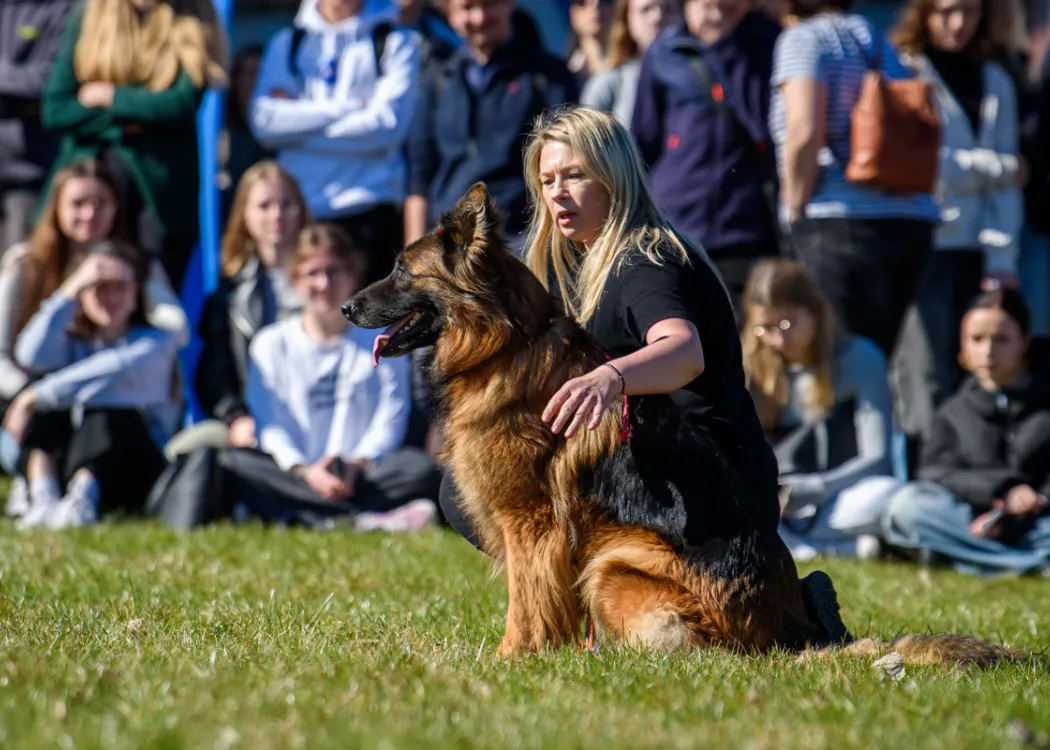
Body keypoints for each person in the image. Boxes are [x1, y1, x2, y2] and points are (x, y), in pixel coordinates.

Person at [162, 223, 440, 531]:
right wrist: (304, 471)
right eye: (312, 274)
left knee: (420, 468)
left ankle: (307, 517)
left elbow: (392, 415)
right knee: (232, 463)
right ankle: (356, 518)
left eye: (333, 272)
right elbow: (268, 425)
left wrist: (356, 464)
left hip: (362, 474)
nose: (323, 283)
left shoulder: (380, 340)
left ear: (353, 276)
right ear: (295, 281)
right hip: (296, 475)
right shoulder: (270, 344)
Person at [0, 159, 187, 518]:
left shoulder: (140, 271)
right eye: (78, 204)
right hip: (26, 401)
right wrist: (28, 394)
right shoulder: (26, 265)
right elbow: (23, 354)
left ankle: (76, 499)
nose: (90, 214)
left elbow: (174, 330)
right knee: (51, 396)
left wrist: (142, 292)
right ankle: (40, 492)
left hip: (108, 425)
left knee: (106, 406)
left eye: (101, 203)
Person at [891, 0, 1026, 473]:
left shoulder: (995, 78)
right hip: (925, 243)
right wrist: (996, 168)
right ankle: (924, 476)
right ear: (924, 13)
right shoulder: (904, 67)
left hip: (980, 250)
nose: (958, 23)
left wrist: (1002, 258)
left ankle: (976, 481)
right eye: (946, 11)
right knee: (925, 371)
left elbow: (1006, 191)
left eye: (969, 11)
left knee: (984, 371)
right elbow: (921, 164)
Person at [770, 0, 940, 359]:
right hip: (909, 220)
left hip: (840, 223)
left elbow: (803, 131)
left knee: (843, 364)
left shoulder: (803, 39)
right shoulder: (873, 37)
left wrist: (793, 208)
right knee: (878, 363)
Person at [40, 0, 229, 290]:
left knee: (153, 298)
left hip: (161, 201)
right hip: (96, 184)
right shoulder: (88, 16)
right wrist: (136, 114)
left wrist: (111, 97)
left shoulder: (193, 19)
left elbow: (179, 104)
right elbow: (57, 110)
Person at [250, 0, 420, 286]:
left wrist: (297, 126)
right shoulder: (287, 43)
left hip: (369, 217)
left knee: (366, 328)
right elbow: (265, 124)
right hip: (298, 218)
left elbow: (386, 128)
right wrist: (353, 108)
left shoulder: (396, 42)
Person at [882, 289, 1050, 576]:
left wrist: (1029, 503)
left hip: (1038, 520)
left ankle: (971, 560)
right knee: (906, 507)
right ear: (962, 346)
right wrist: (1000, 491)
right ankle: (1025, 565)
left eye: (1001, 339)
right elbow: (937, 472)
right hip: (976, 519)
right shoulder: (954, 411)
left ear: (1024, 341)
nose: (988, 351)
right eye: (977, 339)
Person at [741, 259, 900, 561]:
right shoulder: (749, 366)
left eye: (787, 324)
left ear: (815, 310)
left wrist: (816, 487)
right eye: (765, 328)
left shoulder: (861, 359)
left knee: (888, 495)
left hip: (837, 497)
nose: (778, 339)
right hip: (773, 504)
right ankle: (831, 550)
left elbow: (878, 460)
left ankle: (800, 549)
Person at [632, 0, 783, 309]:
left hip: (745, 230)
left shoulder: (769, 42)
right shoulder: (664, 49)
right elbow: (643, 141)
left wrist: (724, 45)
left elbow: (762, 125)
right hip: (677, 226)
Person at [404, 0, 578, 254]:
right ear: (451, 15)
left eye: (489, 4)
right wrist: (416, 254)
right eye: (466, 7)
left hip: (521, 242)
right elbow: (419, 175)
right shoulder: (438, 81)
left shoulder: (547, 75)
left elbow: (567, 161)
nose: (479, 17)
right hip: (450, 245)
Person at [579, 0, 675, 125]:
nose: (657, 17)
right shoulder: (608, 83)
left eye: (668, 9)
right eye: (646, 9)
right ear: (626, 17)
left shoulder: (697, 74)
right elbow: (585, 139)